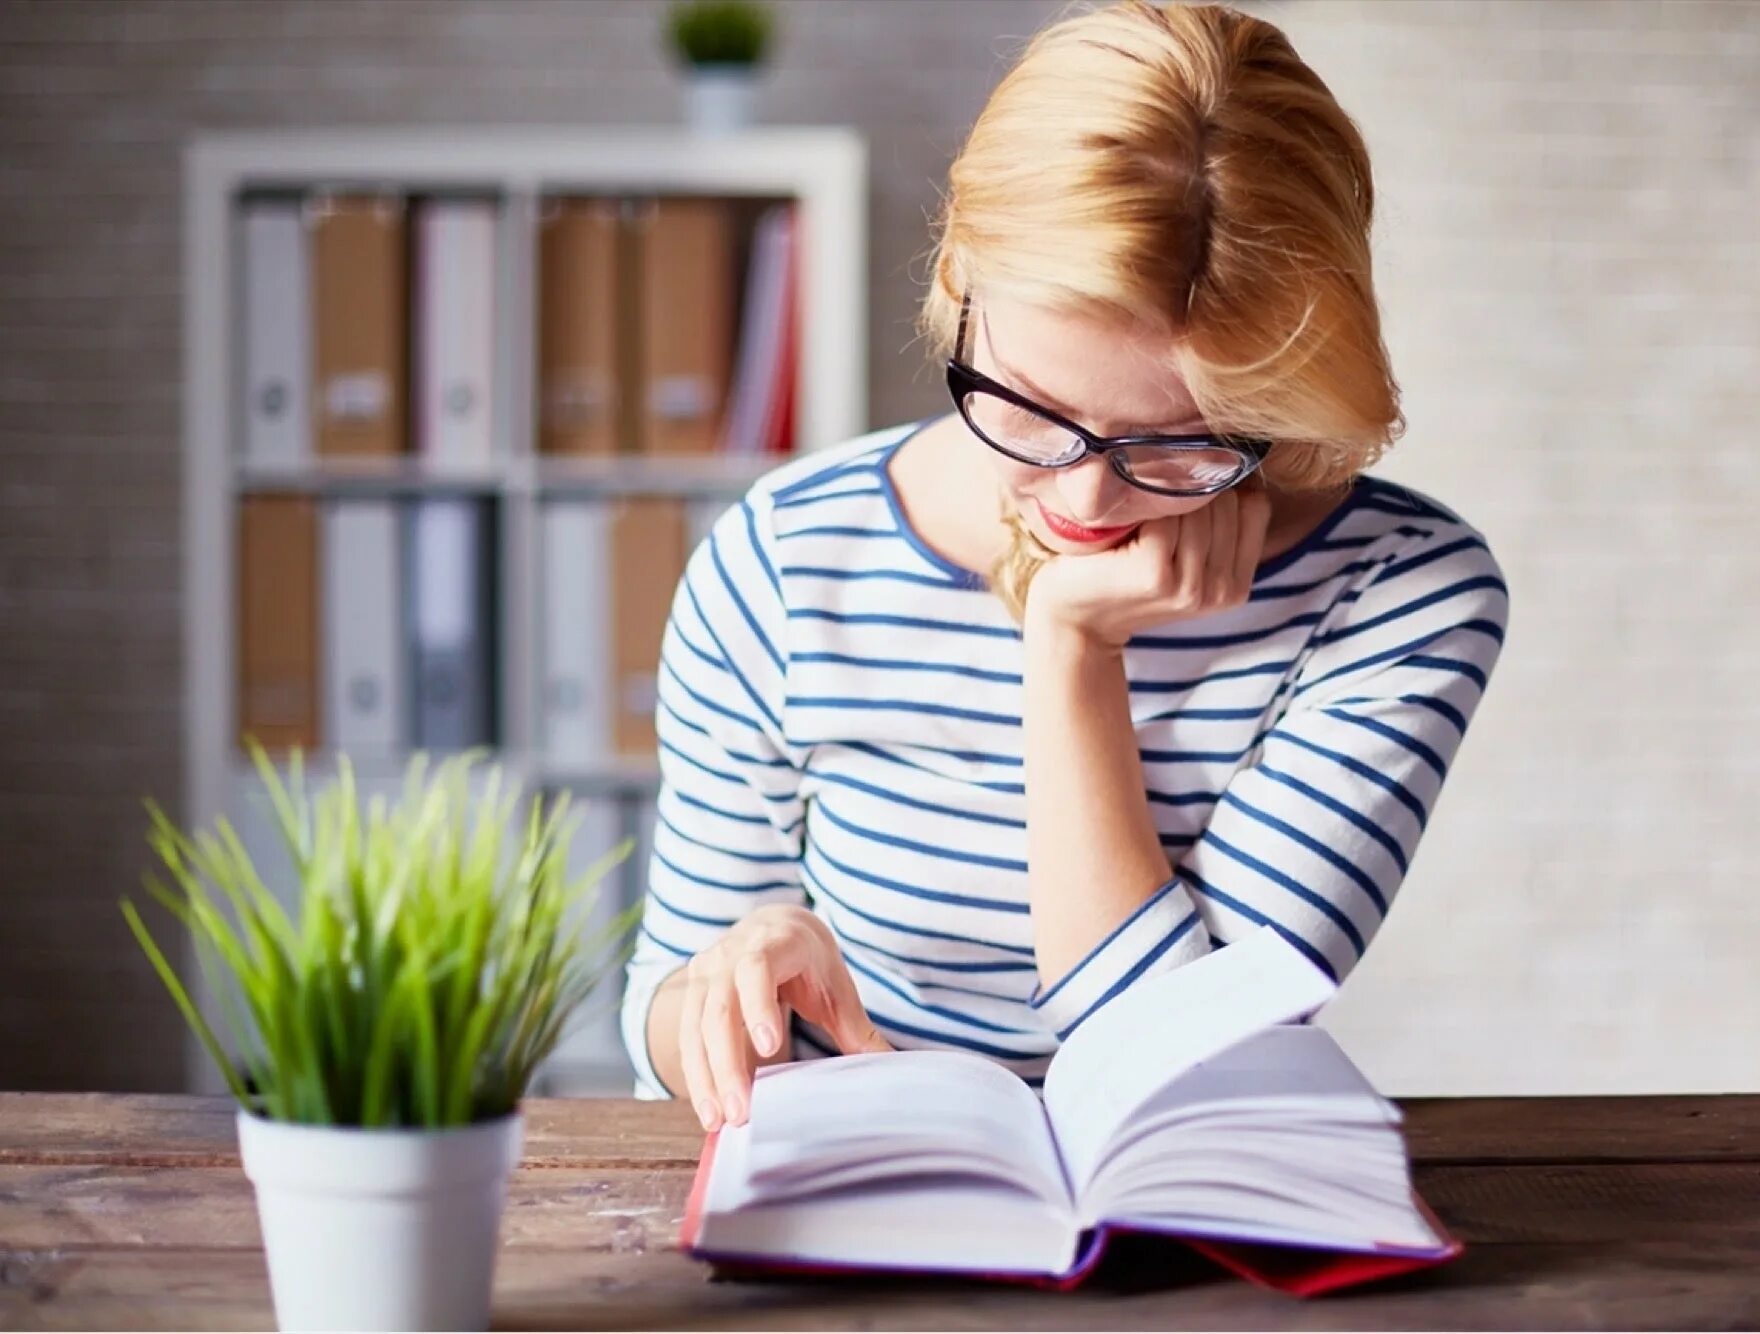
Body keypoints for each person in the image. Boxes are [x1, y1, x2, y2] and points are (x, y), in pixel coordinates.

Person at [620, 0, 1509, 1132]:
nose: (1085, 498)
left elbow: (1179, 1059)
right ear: (958, 286)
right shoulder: (788, 557)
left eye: (1179, 438)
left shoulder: (1402, 597)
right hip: (861, 1205)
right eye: (1032, 410)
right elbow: (656, 1011)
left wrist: (1071, 645)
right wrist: (724, 985)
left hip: (1183, 1214)